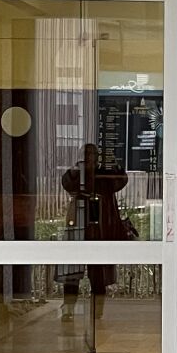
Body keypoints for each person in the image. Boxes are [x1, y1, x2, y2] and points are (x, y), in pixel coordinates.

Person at [59, 144, 130, 336]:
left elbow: (121, 181)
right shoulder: (77, 171)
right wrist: (78, 169)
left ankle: (97, 310)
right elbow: (67, 183)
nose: (91, 159)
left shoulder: (104, 173)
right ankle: (68, 308)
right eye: (87, 155)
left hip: (100, 227)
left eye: (93, 155)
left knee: (98, 272)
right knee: (73, 270)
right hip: (80, 225)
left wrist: (113, 165)